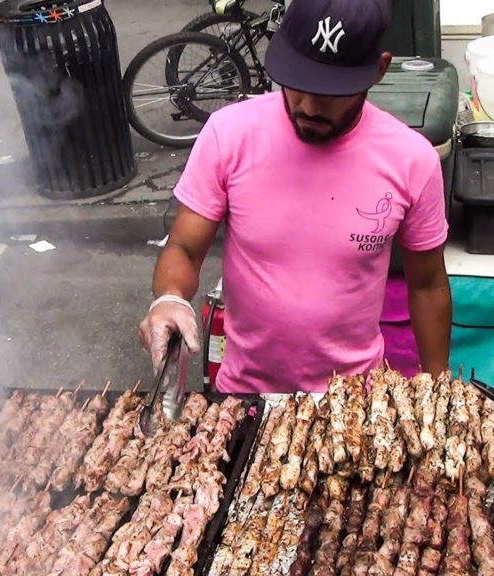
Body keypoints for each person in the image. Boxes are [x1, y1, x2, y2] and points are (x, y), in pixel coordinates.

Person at [138, 0, 453, 393]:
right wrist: (169, 299)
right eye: (298, 82)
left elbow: (427, 284)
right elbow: (184, 247)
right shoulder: (229, 134)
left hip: (353, 400)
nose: (307, 105)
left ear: (379, 69)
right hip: (244, 394)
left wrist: (439, 386)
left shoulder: (412, 159)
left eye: (330, 91)